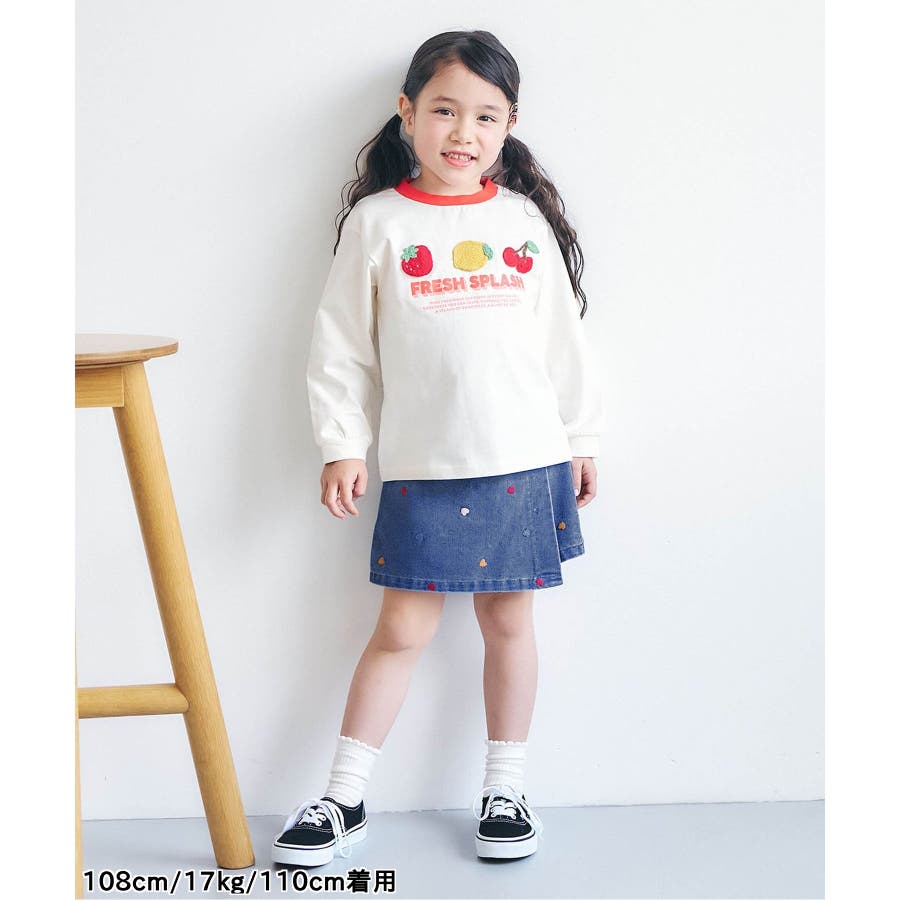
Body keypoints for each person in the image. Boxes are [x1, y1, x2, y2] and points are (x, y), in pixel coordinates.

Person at [272, 28, 603, 868]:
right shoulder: (378, 223)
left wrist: (580, 435)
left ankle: (506, 789)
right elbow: (340, 346)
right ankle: (344, 795)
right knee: (400, 630)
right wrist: (342, 443)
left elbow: (563, 340)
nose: (464, 132)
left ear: (509, 124)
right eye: (445, 111)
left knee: (509, 626)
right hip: (425, 466)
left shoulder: (520, 220)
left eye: (486, 116)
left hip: (525, 458)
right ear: (407, 113)